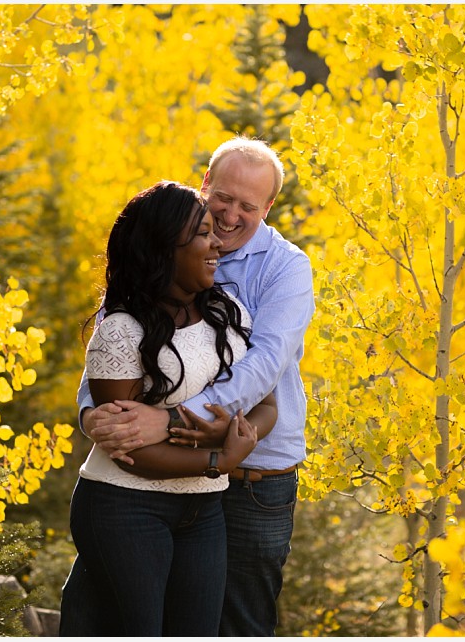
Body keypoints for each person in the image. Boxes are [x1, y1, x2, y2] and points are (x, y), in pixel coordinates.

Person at [76, 137, 315, 636]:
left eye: (248, 206)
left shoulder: (284, 269)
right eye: (222, 199)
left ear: (267, 208)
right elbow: (111, 345)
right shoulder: (166, 236)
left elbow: (265, 366)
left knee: (237, 621)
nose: (228, 218)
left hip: (254, 476)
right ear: (205, 184)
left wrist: (177, 425)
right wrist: (93, 414)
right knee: (120, 614)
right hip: (146, 488)